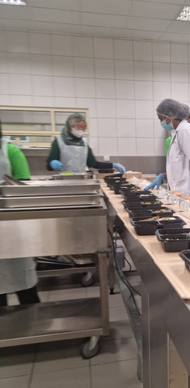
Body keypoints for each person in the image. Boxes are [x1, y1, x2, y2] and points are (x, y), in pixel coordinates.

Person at [0, 120, 40, 307]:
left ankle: (35, 321)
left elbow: (23, 192)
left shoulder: (10, 152)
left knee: (23, 283)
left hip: (10, 227)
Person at [145, 99, 190, 199]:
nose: (161, 122)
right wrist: (163, 176)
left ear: (170, 115)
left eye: (161, 119)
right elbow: (180, 166)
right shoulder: (177, 132)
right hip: (181, 192)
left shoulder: (185, 129)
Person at [46, 113, 125, 175]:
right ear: (70, 126)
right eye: (78, 127)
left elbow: (94, 164)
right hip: (64, 182)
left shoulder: (84, 145)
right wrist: (52, 164)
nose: (81, 130)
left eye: (84, 128)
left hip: (81, 181)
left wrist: (113, 165)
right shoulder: (59, 142)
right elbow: (48, 167)